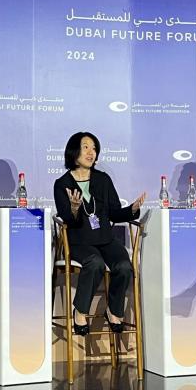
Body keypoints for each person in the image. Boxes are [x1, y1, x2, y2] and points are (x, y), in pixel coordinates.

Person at [53, 132, 146, 335]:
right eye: (85, 147)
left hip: (105, 238)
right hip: (78, 241)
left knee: (123, 266)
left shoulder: (103, 180)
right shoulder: (62, 184)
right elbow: (68, 220)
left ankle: (114, 308)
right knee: (94, 263)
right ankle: (81, 310)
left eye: (94, 148)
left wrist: (132, 209)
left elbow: (114, 212)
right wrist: (75, 208)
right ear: (74, 151)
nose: (91, 152)